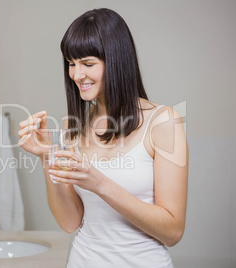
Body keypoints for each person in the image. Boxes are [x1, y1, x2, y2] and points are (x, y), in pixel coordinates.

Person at [18, 8, 188, 268]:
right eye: (71, 63)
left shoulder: (163, 122)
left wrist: (100, 183)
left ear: (117, 60)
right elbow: (69, 222)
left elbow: (173, 232)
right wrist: (46, 155)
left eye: (87, 64)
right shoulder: (72, 126)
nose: (76, 75)